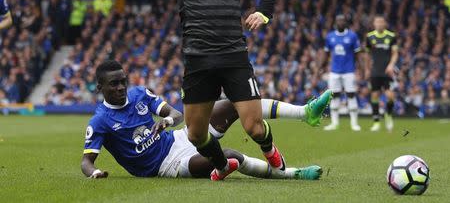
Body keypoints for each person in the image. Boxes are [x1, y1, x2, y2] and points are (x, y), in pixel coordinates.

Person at [113, 0, 309, 180]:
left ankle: (270, 149)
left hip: (233, 57)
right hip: (198, 61)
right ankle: (222, 163)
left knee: (254, 127)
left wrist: (263, 13)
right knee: (195, 133)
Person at [81, 60, 331, 180]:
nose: (121, 87)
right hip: (167, 166)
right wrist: (95, 173)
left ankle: (305, 113)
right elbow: (86, 161)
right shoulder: (100, 121)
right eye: (114, 83)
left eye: (123, 81)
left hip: (178, 138)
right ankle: (294, 174)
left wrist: (166, 122)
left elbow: (176, 114)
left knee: (234, 104)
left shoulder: (139, 94)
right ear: (100, 86)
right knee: (231, 156)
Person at [323, 15, 363, 131]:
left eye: (342, 21)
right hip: (334, 71)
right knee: (334, 96)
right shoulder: (330, 36)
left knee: (351, 95)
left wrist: (361, 69)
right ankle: (334, 123)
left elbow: (357, 54)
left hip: (348, 71)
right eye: (338, 20)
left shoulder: (352, 36)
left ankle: (354, 123)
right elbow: (326, 54)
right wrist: (321, 67)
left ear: (346, 23)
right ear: (335, 22)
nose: (340, 22)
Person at [365, 15, 399, 132]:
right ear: (374, 24)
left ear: (385, 24)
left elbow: (395, 53)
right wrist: (367, 69)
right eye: (377, 22)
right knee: (375, 95)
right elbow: (367, 55)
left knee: (390, 96)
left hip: (387, 71)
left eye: (381, 22)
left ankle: (388, 115)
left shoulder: (391, 36)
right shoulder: (370, 37)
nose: (379, 24)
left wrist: (391, 65)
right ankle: (376, 122)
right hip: (375, 71)